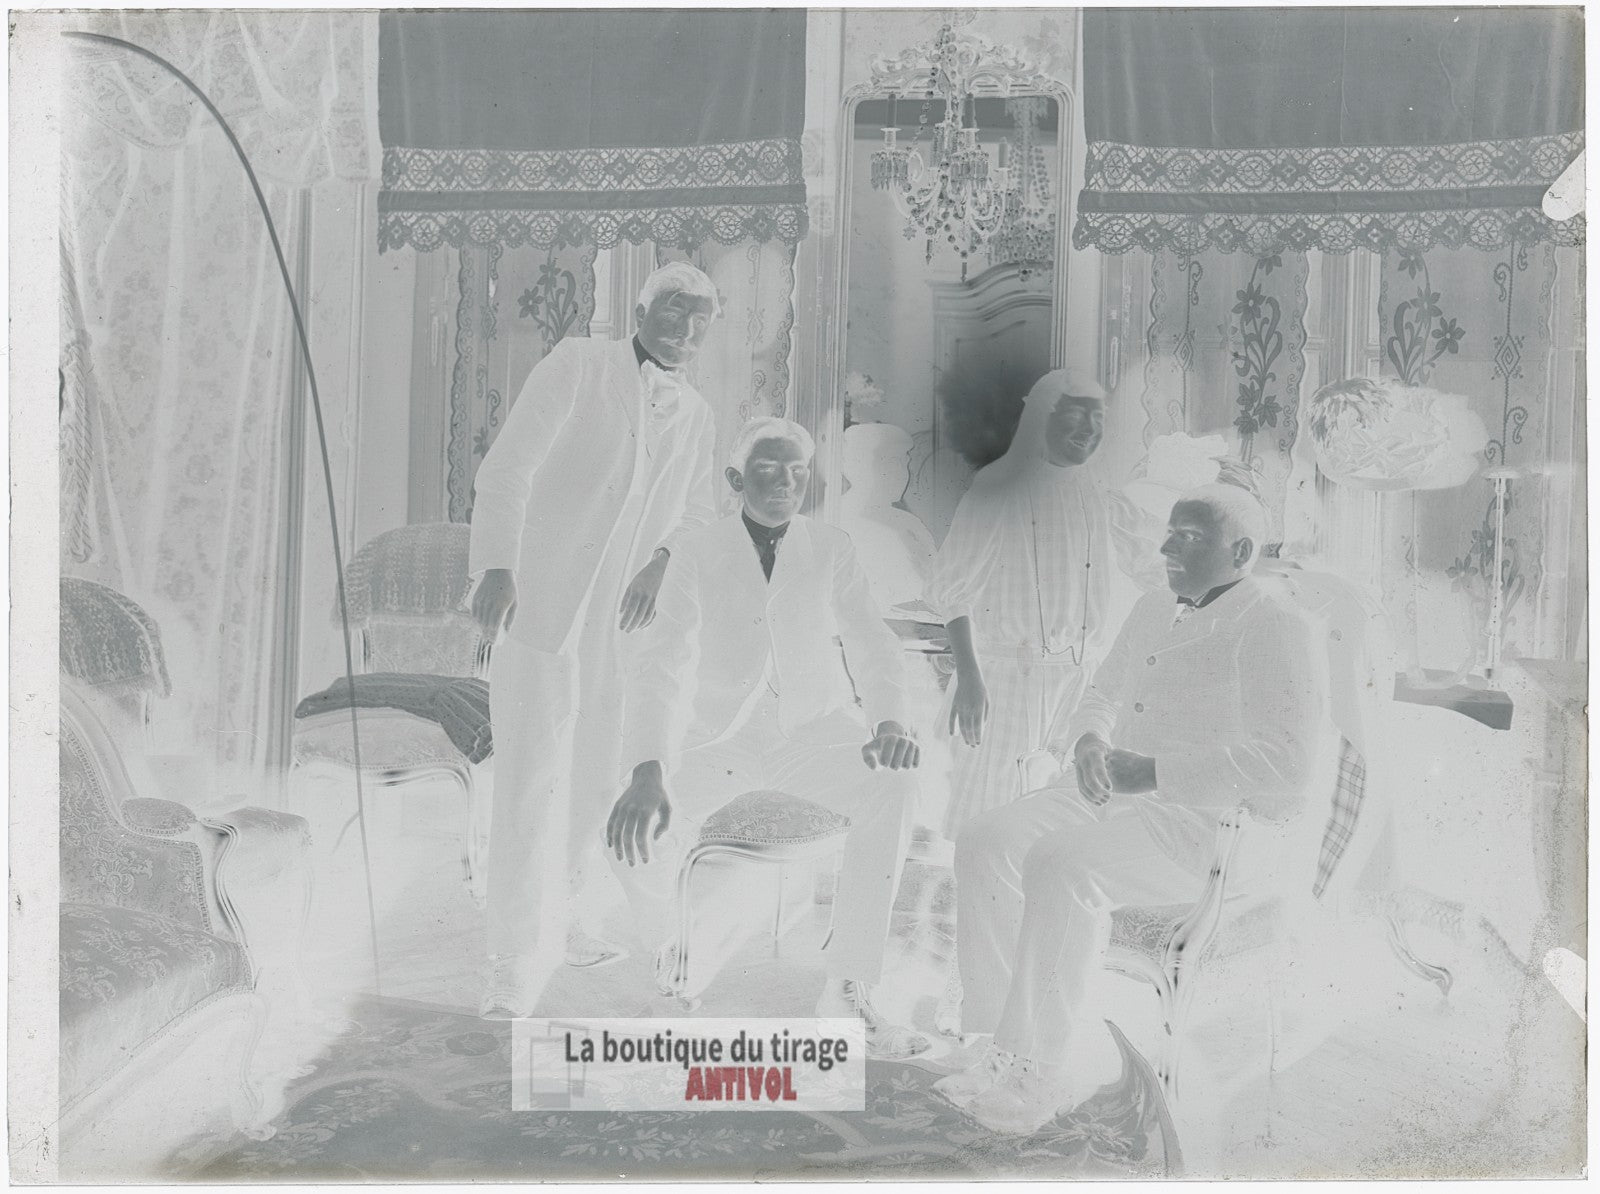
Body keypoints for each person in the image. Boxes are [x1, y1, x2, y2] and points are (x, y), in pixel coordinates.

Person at [930, 482, 1330, 1133]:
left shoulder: (1274, 625)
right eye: (1169, 533)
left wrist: (1154, 773)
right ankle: (993, 1043)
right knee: (985, 838)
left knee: (1062, 864)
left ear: (1241, 553)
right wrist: (1090, 738)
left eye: (1189, 538)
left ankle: (1040, 1070)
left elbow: (1288, 764)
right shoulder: (1152, 605)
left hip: (1200, 828)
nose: (1167, 548)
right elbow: (1104, 690)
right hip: (1107, 796)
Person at [604, 417, 932, 1059]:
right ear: (736, 479)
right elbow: (661, 664)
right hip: (716, 743)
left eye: (797, 471)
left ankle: (850, 985)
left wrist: (889, 723)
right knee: (621, 822)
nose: (785, 483)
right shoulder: (697, 551)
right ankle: (674, 943)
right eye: (767, 469)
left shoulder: (831, 547)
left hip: (808, 740)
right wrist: (647, 769)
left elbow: (871, 643)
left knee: (894, 785)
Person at [468, 262, 721, 1018]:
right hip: (544, 601)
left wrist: (661, 562)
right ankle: (512, 958)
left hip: (621, 620)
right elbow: (508, 468)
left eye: (699, 321)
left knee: (595, 770)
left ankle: (569, 913)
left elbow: (698, 512)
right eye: (672, 313)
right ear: (640, 313)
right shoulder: (579, 365)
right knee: (529, 776)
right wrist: (497, 567)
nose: (684, 331)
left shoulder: (697, 414)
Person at [924, 367, 1164, 1030]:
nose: (1087, 429)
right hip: (1003, 682)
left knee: (1050, 835)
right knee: (986, 838)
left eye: (1097, 417)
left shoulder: (1096, 494)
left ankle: (1035, 993)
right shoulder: (996, 487)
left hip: (1075, 690)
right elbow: (952, 591)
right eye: (1072, 414)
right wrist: (970, 677)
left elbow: (1154, 561)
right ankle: (974, 997)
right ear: (1040, 418)